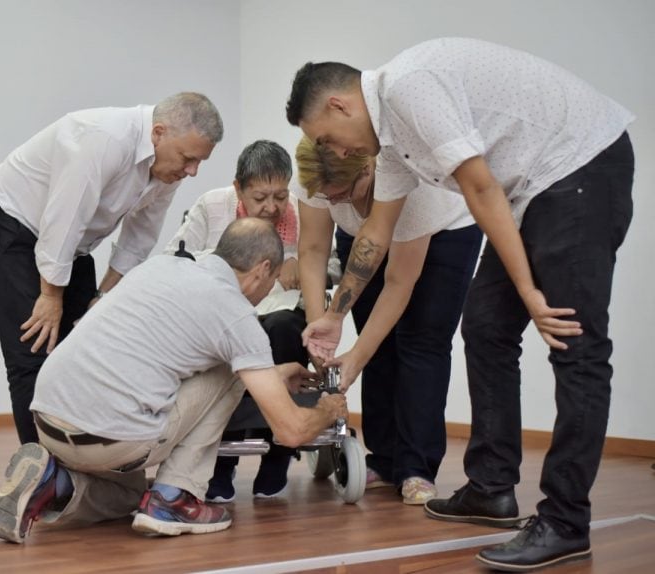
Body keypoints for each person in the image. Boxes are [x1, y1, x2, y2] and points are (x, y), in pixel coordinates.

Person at [285, 38, 634, 571]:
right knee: (487, 328)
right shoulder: (394, 140)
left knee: (573, 343)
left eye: (327, 139)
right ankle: (491, 488)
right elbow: (375, 236)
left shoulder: (408, 86)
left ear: (340, 105)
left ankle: (566, 520)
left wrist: (529, 291)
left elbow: (479, 187)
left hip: (579, 167)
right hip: (532, 191)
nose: (331, 151)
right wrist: (335, 313)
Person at [0, 218, 348, 543]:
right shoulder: (235, 314)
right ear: (261, 270)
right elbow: (290, 431)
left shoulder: (160, 267)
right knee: (232, 370)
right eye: (273, 281)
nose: (270, 290)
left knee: (128, 496)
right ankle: (175, 497)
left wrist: (275, 374)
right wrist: (329, 409)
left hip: (47, 420)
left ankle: (54, 484)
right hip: (112, 439)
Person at [0, 93, 223, 445]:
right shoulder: (103, 138)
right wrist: (50, 294)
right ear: (158, 133)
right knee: (33, 351)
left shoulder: (169, 168)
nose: (192, 171)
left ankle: (80, 464)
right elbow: (65, 217)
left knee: (85, 350)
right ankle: (42, 472)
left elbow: (139, 237)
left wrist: (103, 295)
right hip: (11, 222)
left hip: (71, 244)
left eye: (199, 162)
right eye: (188, 158)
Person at [295, 137, 481, 504]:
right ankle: (384, 458)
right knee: (376, 343)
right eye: (327, 197)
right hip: (363, 236)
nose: (334, 202)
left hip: (445, 230)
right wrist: (320, 327)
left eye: (343, 193)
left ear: (367, 169)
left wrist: (355, 359)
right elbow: (314, 251)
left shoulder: (409, 176)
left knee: (420, 341)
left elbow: (399, 283)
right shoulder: (314, 171)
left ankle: (416, 467)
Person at [165, 139, 317, 501]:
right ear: (239, 188)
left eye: (279, 196)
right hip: (226, 310)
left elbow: (329, 263)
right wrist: (231, 267)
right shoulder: (211, 206)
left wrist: (306, 264)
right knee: (224, 351)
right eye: (260, 197)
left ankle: (278, 454)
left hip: (281, 311)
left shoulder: (302, 211)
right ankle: (222, 464)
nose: (271, 208)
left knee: (282, 329)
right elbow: (176, 257)